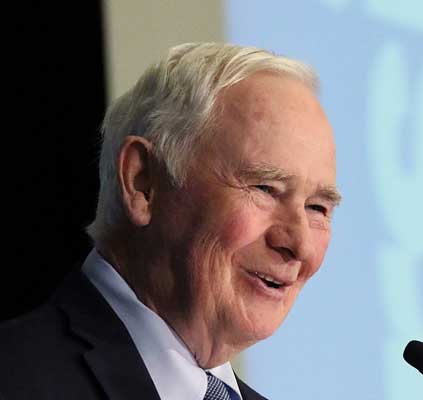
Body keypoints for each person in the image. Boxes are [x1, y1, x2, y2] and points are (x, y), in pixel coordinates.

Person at [0, 42, 341, 399]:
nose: (299, 244)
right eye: (265, 188)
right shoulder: (15, 380)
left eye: (318, 208)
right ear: (143, 182)